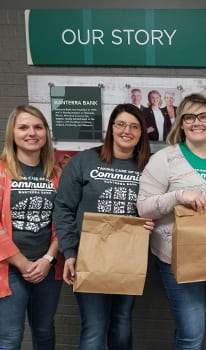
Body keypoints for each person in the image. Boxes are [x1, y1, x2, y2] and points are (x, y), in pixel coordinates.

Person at [137, 93, 206, 350]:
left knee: (188, 331)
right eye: (190, 117)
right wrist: (179, 196)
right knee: (192, 334)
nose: (197, 122)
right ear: (181, 123)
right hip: (178, 258)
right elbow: (143, 208)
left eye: (203, 116)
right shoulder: (165, 159)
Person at [53, 104, 154, 350]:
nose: (126, 131)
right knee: (94, 326)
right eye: (120, 124)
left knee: (121, 323)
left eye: (134, 126)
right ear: (110, 129)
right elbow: (63, 208)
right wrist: (69, 253)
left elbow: (159, 205)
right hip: (89, 257)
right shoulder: (83, 161)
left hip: (129, 257)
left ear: (142, 132)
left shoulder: (149, 167)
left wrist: (153, 220)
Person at [0, 105, 63, 349]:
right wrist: (24, 264)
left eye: (38, 127)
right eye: (23, 127)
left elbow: (63, 221)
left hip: (46, 268)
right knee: (9, 337)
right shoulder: (3, 171)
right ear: (12, 133)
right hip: (10, 269)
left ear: (46, 133)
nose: (31, 133)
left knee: (45, 332)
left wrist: (47, 259)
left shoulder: (56, 173)